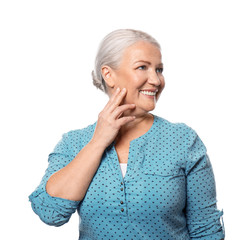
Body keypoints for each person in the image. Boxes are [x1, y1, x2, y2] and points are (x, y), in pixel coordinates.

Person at [29, 29, 225, 240]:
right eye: (142, 67)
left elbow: (206, 230)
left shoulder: (183, 140)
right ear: (109, 75)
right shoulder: (74, 143)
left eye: (159, 70)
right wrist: (98, 142)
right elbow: (50, 212)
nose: (156, 80)